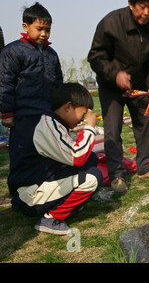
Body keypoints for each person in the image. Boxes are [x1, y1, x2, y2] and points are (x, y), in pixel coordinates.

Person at [88, 0, 149, 192]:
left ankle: (145, 166)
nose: (147, 13)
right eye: (142, 7)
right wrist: (115, 74)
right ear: (131, 5)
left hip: (140, 86)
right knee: (113, 128)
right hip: (111, 85)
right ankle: (117, 175)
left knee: (146, 123)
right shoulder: (111, 23)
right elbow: (95, 56)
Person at [8, 83, 103, 235]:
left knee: (91, 159)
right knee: (93, 177)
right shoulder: (47, 123)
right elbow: (77, 157)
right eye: (83, 114)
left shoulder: (53, 121)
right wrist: (90, 128)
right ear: (68, 107)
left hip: (37, 183)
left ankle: (63, 204)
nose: (83, 119)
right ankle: (51, 219)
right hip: (30, 195)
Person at [0, 2, 63, 189]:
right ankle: (18, 195)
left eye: (48, 30)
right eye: (40, 29)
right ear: (25, 27)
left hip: (47, 115)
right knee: (22, 155)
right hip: (24, 117)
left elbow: (58, 84)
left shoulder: (52, 54)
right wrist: (6, 112)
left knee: (46, 154)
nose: (44, 34)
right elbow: (5, 83)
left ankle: (43, 189)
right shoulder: (12, 52)